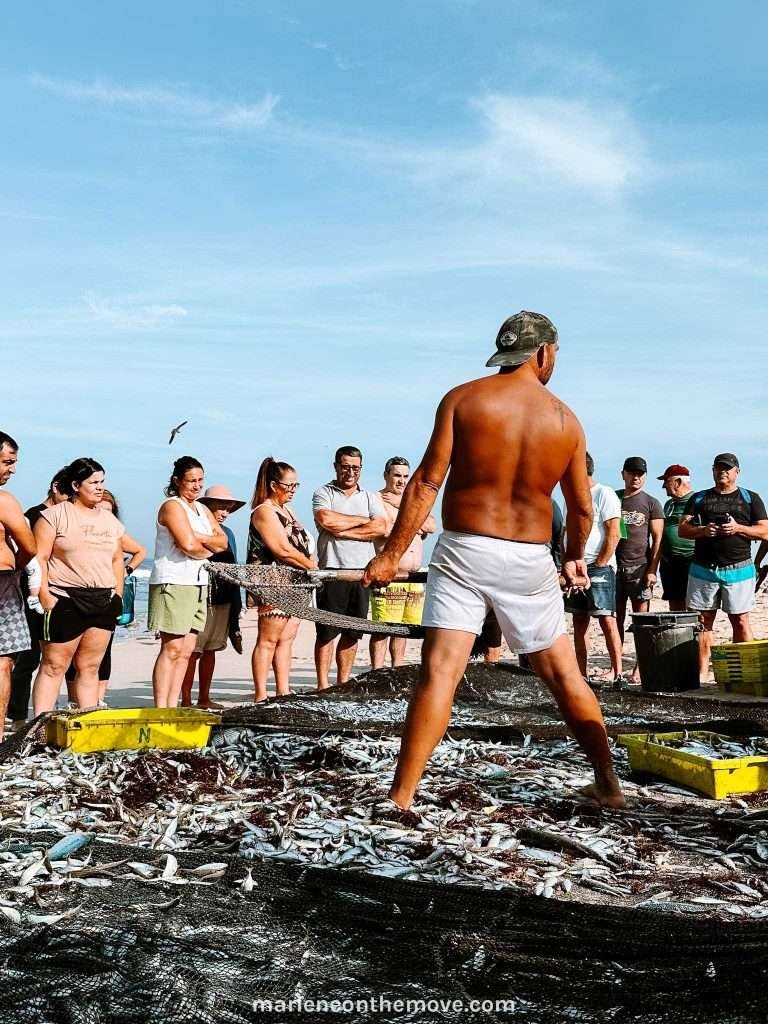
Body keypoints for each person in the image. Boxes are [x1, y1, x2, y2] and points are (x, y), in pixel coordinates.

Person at [363, 310, 624, 811]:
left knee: (440, 673)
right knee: (564, 676)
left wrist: (391, 555)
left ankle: (401, 796)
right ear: (545, 353)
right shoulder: (567, 421)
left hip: (466, 549)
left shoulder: (465, 399)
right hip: (530, 558)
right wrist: (573, 559)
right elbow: (582, 507)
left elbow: (425, 483)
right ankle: (608, 785)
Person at [32, 458, 125, 714]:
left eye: (102, 482)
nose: (99, 487)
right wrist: (45, 596)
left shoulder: (110, 521)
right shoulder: (53, 516)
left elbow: (117, 560)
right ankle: (39, 724)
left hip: (102, 600)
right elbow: (39, 558)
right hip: (64, 597)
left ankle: (87, 723)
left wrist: (117, 595)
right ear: (75, 485)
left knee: (90, 667)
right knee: (54, 665)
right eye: (93, 482)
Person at [678, 453, 768, 682]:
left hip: (739, 568)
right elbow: (683, 529)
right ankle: (702, 673)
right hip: (703, 568)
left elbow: (764, 531)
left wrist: (738, 528)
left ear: (737, 471)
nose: (722, 472)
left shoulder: (751, 498)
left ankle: (746, 675)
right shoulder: (699, 498)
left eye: (727, 468)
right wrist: (702, 530)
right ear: (712, 470)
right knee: (702, 621)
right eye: (718, 468)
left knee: (740, 620)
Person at [148, 457, 229, 708]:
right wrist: (203, 544)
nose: (196, 486)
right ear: (177, 481)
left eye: (200, 480)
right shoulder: (172, 506)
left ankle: (173, 705)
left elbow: (222, 542)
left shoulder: (203, 510)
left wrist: (200, 537)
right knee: (171, 648)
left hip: (198, 582)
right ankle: (161, 707)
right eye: (191, 481)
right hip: (173, 581)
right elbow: (188, 546)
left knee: (187, 650)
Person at [63, 488, 147, 707]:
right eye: (100, 509)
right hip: (77, 594)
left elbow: (140, 551)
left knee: (103, 651)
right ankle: (74, 700)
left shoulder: (114, 532)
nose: (104, 514)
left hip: (108, 595)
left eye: (109, 511)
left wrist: (126, 571)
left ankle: (98, 699)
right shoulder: (77, 527)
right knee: (73, 651)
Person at [313, 447, 387, 689]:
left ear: (361, 469)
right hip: (332, 571)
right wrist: (364, 522)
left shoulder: (370, 497)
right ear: (336, 466)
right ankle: (323, 684)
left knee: (352, 631)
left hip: (361, 574)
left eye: (355, 467)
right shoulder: (324, 492)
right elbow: (326, 520)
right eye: (345, 466)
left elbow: (381, 528)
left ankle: (342, 682)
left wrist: (343, 529)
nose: (350, 472)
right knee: (326, 631)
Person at [249, 458, 316, 701]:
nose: (293, 491)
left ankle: (283, 689)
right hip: (274, 582)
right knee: (268, 640)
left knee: (287, 639)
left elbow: (300, 542)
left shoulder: (286, 510)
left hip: (296, 583)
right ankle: (260, 694)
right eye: (290, 486)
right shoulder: (264, 511)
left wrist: (310, 564)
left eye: (296, 485)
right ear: (274, 485)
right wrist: (312, 567)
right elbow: (281, 549)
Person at [8, 466, 69, 729]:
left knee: (54, 659)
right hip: (28, 594)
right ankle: (19, 716)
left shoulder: (66, 517)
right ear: (56, 488)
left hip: (56, 595)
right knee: (27, 659)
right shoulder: (36, 516)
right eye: (68, 493)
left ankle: (45, 713)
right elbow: (28, 555)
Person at [181, 485, 245, 709]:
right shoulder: (194, 528)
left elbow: (235, 569)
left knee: (211, 650)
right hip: (199, 597)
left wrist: (237, 607)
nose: (225, 513)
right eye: (220, 507)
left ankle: (204, 697)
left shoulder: (229, 534)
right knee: (192, 652)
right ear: (206, 506)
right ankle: (187, 700)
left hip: (223, 599)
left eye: (228, 509)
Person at [563, 452, 624, 686]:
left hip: (598, 568)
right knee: (579, 621)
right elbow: (568, 531)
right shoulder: (573, 497)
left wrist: (600, 563)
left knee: (606, 619)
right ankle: (581, 674)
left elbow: (614, 532)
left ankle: (618, 673)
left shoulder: (604, 493)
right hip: (576, 566)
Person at [369, 457, 435, 670]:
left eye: (406, 476)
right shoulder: (377, 499)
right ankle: (378, 670)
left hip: (413, 577)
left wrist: (402, 506)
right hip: (390, 575)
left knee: (404, 628)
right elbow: (384, 528)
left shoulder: (409, 500)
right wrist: (413, 524)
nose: (401, 481)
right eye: (397, 475)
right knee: (383, 628)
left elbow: (431, 526)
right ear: (386, 475)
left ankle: (397, 667)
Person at [615, 456, 664, 680]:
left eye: (640, 473)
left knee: (641, 621)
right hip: (613, 568)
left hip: (640, 568)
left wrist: (652, 569)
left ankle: (639, 667)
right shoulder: (613, 498)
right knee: (613, 619)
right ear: (623, 474)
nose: (636, 477)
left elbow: (658, 539)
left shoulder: (652, 503)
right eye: (632, 472)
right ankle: (615, 667)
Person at [0, 432, 36, 731]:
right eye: (7, 462)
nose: (12, 470)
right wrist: (15, 569)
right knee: (2, 661)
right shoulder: (4, 501)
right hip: (2, 584)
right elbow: (30, 547)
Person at [658, 464, 694, 611]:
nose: (663, 486)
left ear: (678, 482)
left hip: (690, 560)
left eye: (666, 482)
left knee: (693, 603)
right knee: (674, 602)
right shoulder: (668, 504)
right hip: (669, 563)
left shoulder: (697, 501)